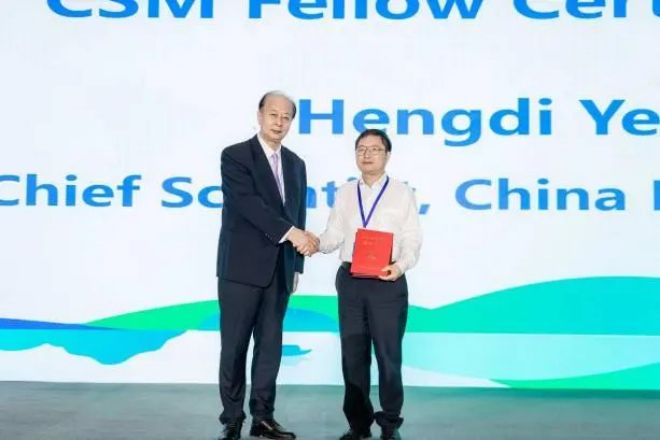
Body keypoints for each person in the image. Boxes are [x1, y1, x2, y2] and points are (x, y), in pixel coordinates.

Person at [216, 91, 318, 440]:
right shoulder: (235, 156)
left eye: (286, 117)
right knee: (234, 347)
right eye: (273, 114)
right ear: (259, 115)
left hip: (280, 269)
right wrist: (293, 234)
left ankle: (263, 418)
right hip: (241, 269)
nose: (279, 122)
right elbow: (248, 205)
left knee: (270, 347)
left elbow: (298, 213)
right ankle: (232, 419)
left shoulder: (296, 164)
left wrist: (297, 265)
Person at [317, 129, 422, 440]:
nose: (367, 154)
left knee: (388, 356)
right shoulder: (345, 192)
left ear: (387, 155)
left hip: (387, 281)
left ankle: (390, 423)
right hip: (351, 280)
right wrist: (314, 243)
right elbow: (334, 234)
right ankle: (358, 424)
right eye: (361, 148)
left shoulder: (402, 192)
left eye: (375, 149)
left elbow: (412, 238)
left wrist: (399, 266)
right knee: (353, 357)